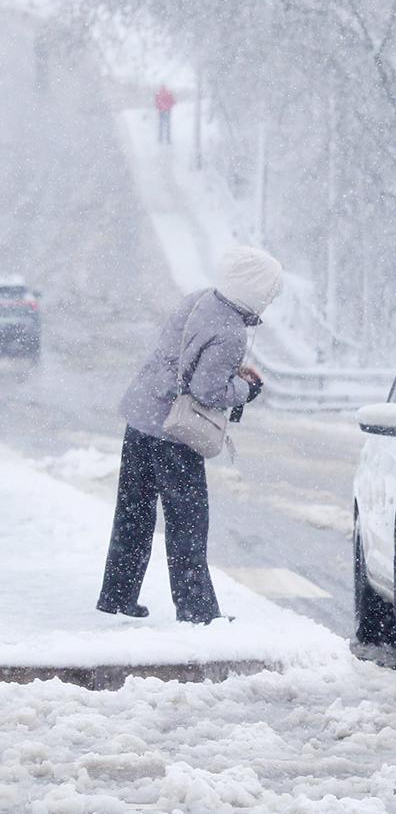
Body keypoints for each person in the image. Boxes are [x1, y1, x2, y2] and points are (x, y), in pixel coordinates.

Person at [97, 247, 283, 623]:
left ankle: (116, 598)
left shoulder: (198, 299)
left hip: (141, 417)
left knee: (134, 514)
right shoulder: (231, 330)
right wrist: (246, 390)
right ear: (255, 291)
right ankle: (197, 611)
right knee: (188, 522)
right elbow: (207, 392)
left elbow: (182, 355)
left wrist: (226, 373)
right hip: (173, 435)